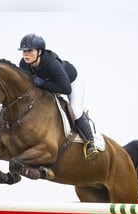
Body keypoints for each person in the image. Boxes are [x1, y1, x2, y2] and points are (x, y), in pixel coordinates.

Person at [18, 33, 98, 161]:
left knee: (75, 110)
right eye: (23, 51)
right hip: (52, 85)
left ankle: (91, 143)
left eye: (29, 51)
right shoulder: (24, 64)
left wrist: (43, 83)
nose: (25, 54)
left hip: (71, 82)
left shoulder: (52, 64)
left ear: (39, 51)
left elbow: (65, 88)